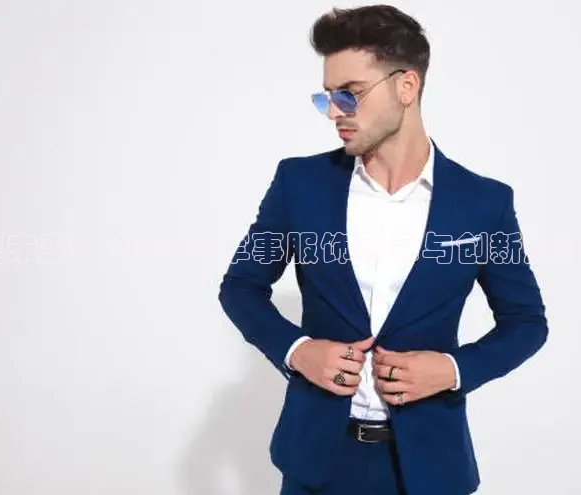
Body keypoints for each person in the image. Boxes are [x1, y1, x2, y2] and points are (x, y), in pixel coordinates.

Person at [217, 4, 548, 494]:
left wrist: (454, 369)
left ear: (406, 86)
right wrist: (297, 350)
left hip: (428, 468)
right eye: (327, 96)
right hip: (316, 462)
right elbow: (241, 286)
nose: (334, 112)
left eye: (349, 94)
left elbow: (526, 321)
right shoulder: (300, 184)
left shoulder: (483, 203)